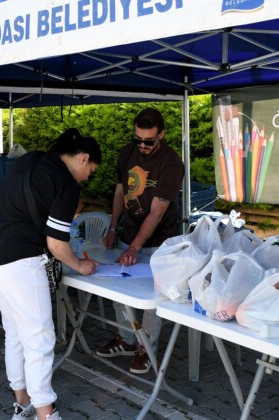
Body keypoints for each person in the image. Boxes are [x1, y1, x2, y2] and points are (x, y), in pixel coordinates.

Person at [0, 128, 102, 420]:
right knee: (41, 338)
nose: (88, 178)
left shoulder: (32, 159)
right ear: (83, 158)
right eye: (91, 171)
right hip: (20, 261)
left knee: (17, 332)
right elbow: (56, 244)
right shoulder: (66, 183)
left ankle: (22, 404)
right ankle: (46, 413)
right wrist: (80, 265)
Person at [98, 107, 185, 374]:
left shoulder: (171, 163)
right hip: (128, 234)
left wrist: (136, 246)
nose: (143, 146)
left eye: (149, 140)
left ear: (162, 134)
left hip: (159, 241)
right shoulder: (127, 153)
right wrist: (114, 226)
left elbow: (157, 211)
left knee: (150, 299)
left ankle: (146, 350)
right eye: (139, 139)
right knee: (119, 292)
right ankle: (125, 339)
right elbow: (120, 191)